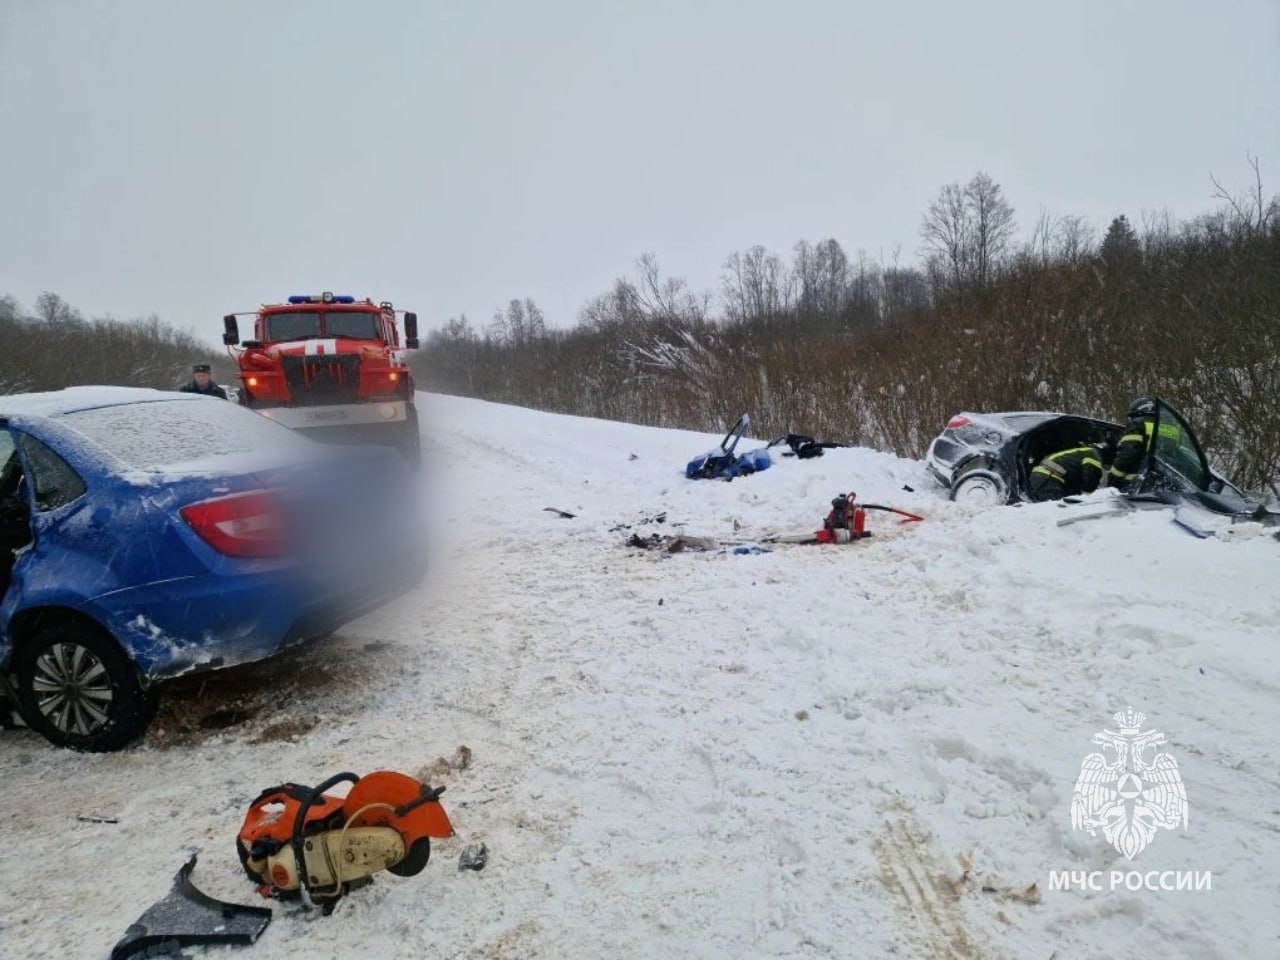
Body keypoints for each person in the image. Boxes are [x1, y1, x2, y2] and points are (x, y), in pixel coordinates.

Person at [1029, 440, 1115, 502]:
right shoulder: (1093, 455)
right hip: (1047, 478)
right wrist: (1087, 497)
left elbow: (1075, 479)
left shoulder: (1085, 451)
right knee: (1057, 510)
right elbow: (1091, 477)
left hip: (1044, 476)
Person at [1108, 396, 1156, 490]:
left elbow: (1127, 454)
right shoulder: (1170, 427)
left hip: (1135, 482)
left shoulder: (1137, 424)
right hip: (1157, 481)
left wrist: (1113, 480)